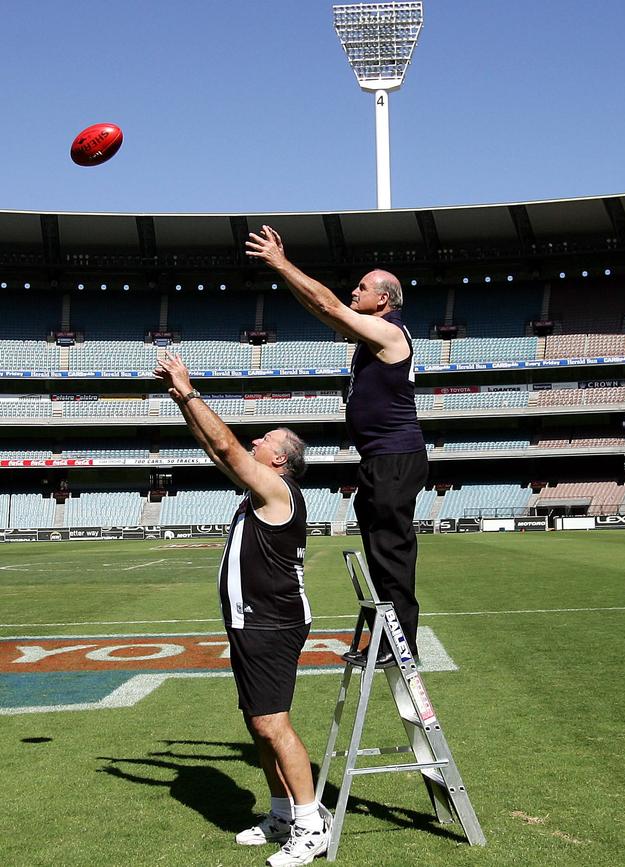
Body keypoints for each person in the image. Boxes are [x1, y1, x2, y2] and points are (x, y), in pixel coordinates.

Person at [154, 353, 330, 867]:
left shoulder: (278, 490)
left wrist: (189, 390)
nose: (256, 442)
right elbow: (217, 450)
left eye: (266, 442)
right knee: (258, 724)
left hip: (272, 624)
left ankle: (309, 824)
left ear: (280, 460)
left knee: (275, 725)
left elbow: (228, 446)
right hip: (251, 623)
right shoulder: (261, 491)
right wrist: (182, 405)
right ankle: (280, 815)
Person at [246, 226, 428, 667]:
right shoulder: (368, 335)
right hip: (379, 460)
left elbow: (328, 303)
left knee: (391, 553)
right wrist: (286, 277)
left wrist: (280, 263)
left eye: (362, 287)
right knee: (380, 553)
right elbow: (322, 308)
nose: (354, 290)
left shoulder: (390, 334)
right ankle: (388, 637)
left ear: (383, 299)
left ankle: (401, 645)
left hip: (394, 459)